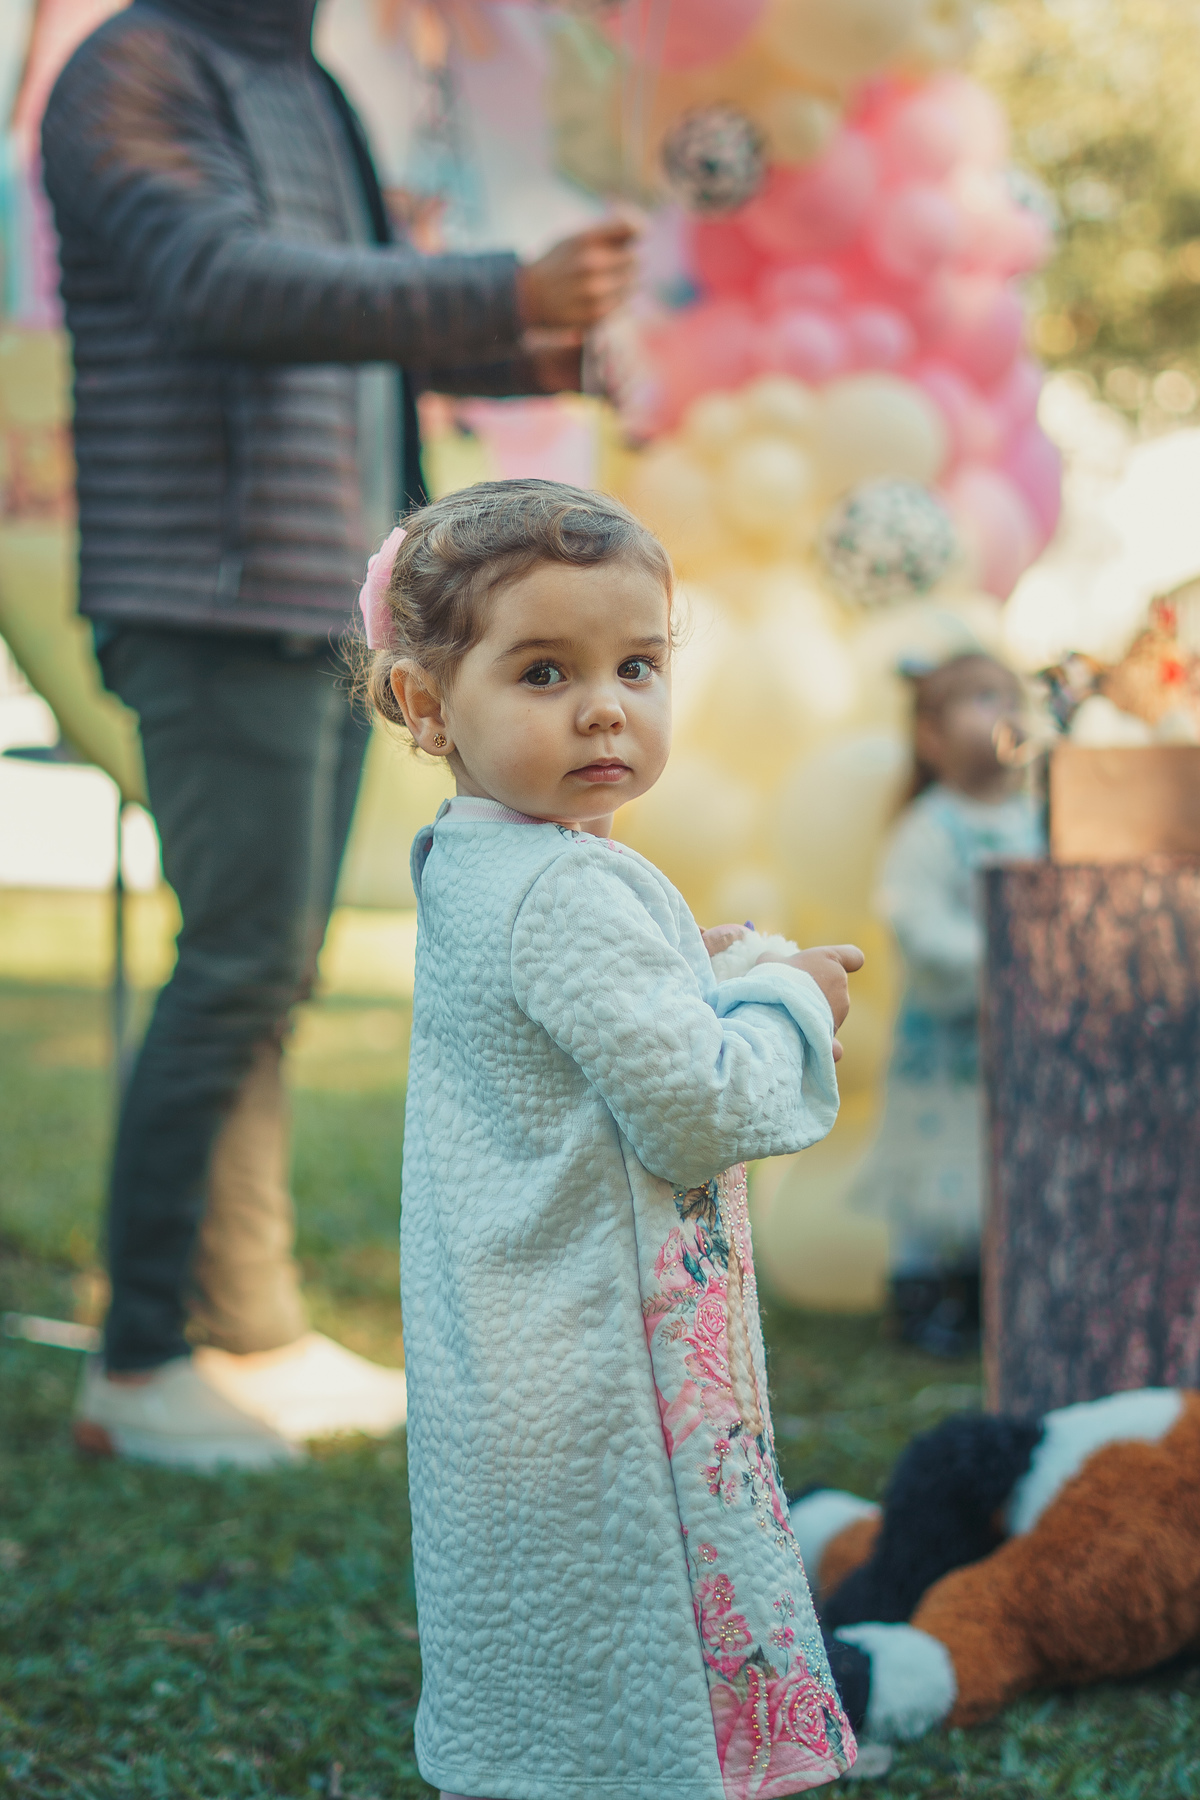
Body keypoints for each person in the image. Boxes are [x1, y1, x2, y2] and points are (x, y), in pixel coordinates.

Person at [44, 0, 639, 1468]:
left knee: (271, 969)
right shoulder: (135, 66)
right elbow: (222, 283)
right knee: (238, 961)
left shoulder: (297, 76)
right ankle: (139, 1366)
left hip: (317, 597)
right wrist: (502, 286)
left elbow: (356, 327)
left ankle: (244, 1332)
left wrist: (545, 352)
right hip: (211, 592)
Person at [361, 477, 864, 1798]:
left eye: (638, 664)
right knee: (634, 1647)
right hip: (602, 1369)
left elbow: (570, 1035)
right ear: (426, 703)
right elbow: (698, 1109)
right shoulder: (561, 889)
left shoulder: (476, 860)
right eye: (544, 671)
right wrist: (789, 1005)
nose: (606, 705)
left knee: (548, 1649)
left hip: (519, 1349)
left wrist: (684, 971)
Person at [855, 651, 1044, 1356]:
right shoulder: (930, 829)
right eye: (979, 699)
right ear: (930, 737)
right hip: (950, 1038)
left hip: (1019, 1037)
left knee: (1004, 1158)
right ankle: (924, 1295)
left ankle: (991, 1290)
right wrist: (1003, 959)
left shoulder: (1036, 818)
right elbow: (921, 924)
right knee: (941, 1161)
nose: (1002, 711)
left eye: (1008, 695)